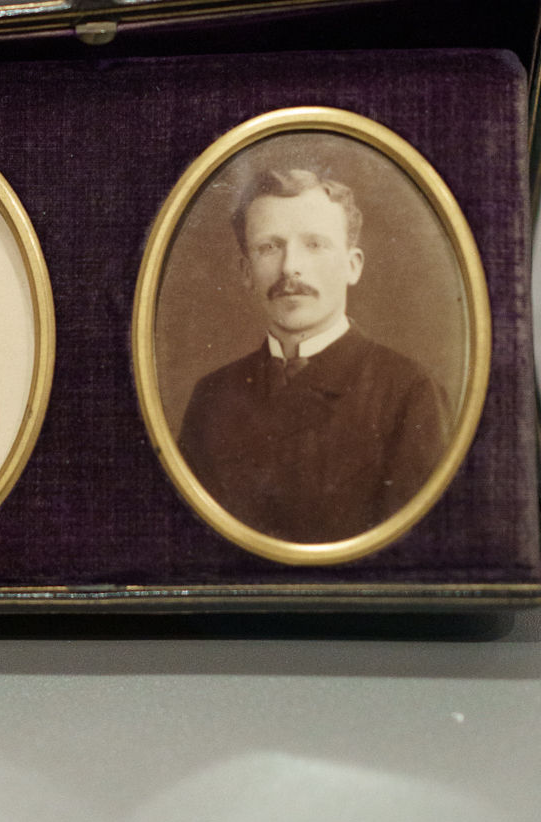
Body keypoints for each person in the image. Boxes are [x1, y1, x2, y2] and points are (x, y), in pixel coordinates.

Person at [178, 166, 449, 543]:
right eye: (269, 247)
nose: (290, 267)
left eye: (315, 244)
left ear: (352, 266)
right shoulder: (212, 397)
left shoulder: (410, 393)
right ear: (246, 271)